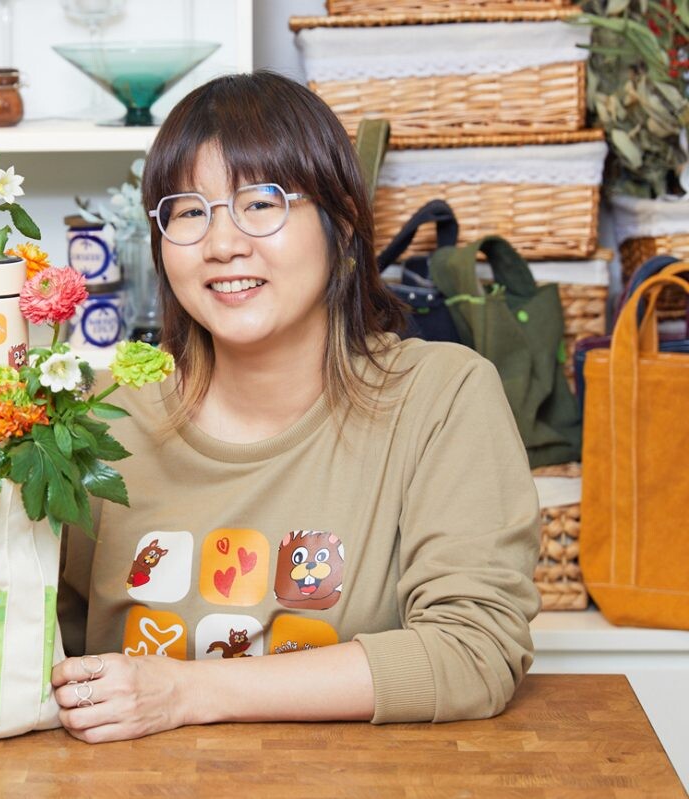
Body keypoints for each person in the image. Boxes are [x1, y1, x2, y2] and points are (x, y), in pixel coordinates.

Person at [50, 71, 541, 742]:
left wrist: (190, 692)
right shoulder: (102, 418)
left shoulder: (439, 398)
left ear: (341, 222)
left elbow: (473, 652)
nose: (222, 243)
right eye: (189, 211)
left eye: (262, 202)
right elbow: (33, 641)